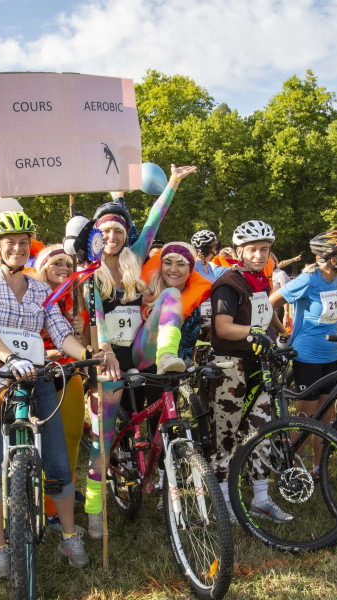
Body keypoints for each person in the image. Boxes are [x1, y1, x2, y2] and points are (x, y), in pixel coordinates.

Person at [0, 211, 98, 576]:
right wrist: (9, 357)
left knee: (57, 460)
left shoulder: (40, 288)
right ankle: (0, 546)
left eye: (24, 242)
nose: (18, 248)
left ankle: (69, 536)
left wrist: (90, 356)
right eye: (10, 242)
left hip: (38, 378)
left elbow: (59, 331)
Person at [84, 164, 197, 539]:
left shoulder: (136, 255)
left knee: (171, 294)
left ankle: (167, 353)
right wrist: (104, 354)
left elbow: (154, 218)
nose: (112, 235)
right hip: (109, 358)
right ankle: (95, 509)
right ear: (96, 238)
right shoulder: (91, 277)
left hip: (140, 350)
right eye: (105, 231)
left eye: (118, 229)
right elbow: (98, 319)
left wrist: (175, 183)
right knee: (102, 441)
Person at [210, 219, 291, 522]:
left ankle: (260, 499)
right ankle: (224, 502)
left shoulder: (261, 279)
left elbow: (265, 311)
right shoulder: (228, 283)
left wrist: (282, 334)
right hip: (230, 367)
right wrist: (251, 333)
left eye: (265, 250)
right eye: (253, 249)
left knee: (262, 430)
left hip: (259, 363)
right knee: (226, 434)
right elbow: (222, 327)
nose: (259, 255)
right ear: (240, 251)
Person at [270, 230, 337, 473]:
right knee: (304, 420)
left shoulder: (336, 279)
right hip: (307, 356)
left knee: (326, 419)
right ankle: (295, 470)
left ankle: (319, 469)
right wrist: (281, 332)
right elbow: (270, 302)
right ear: (332, 259)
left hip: (332, 356)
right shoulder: (308, 280)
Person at [32, 243, 90, 529]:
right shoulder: (32, 296)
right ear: (43, 266)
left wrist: (81, 331)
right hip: (39, 374)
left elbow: (87, 343)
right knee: (43, 442)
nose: (65, 268)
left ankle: (63, 491)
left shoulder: (75, 297)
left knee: (71, 436)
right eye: (57, 263)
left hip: (71, 371)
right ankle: (46, 504)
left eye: (68, 264)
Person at [142, 241, 212, 361]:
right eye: (168, 263)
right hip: (145, 368)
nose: (173, 269)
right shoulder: (143, 294)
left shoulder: (196, 305)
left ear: (190, 270)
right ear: (161, 266)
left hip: (180, 371)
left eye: (180, 264)